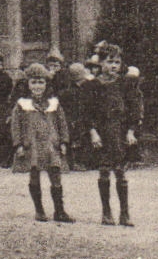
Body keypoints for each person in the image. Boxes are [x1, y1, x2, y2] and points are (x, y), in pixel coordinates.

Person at [9, 63, 73, 223]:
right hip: (32, 145)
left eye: (41, 82)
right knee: (34, 174)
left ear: (47, 84)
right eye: (34, 82)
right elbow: (15, 126)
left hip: (51, 145)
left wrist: (64, 141)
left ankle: (59, 210)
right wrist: (18, 145)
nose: (37, 86)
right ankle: (39, 210)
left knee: (56, 175)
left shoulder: (54, 103)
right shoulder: (22, 104)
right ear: (28, 84)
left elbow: (62, 123)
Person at [86, 45, 138, 225]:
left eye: (117, 62)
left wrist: (131, 131)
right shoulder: (93, 85)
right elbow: (87, 111)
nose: (114, 65)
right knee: (104, 170)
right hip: (102, 131)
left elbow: (134, 109)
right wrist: (93, 132)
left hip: (121, 132)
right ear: (100, 63)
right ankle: (106, 212)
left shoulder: (126, 83)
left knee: (121, 172)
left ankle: (124, 213)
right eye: (110, 62)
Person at [59, 62, 95, 171]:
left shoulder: (88, 86)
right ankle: (77, 162)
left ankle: (81, 162)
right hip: (77, 118)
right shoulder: (73, 89)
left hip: (81, 117)